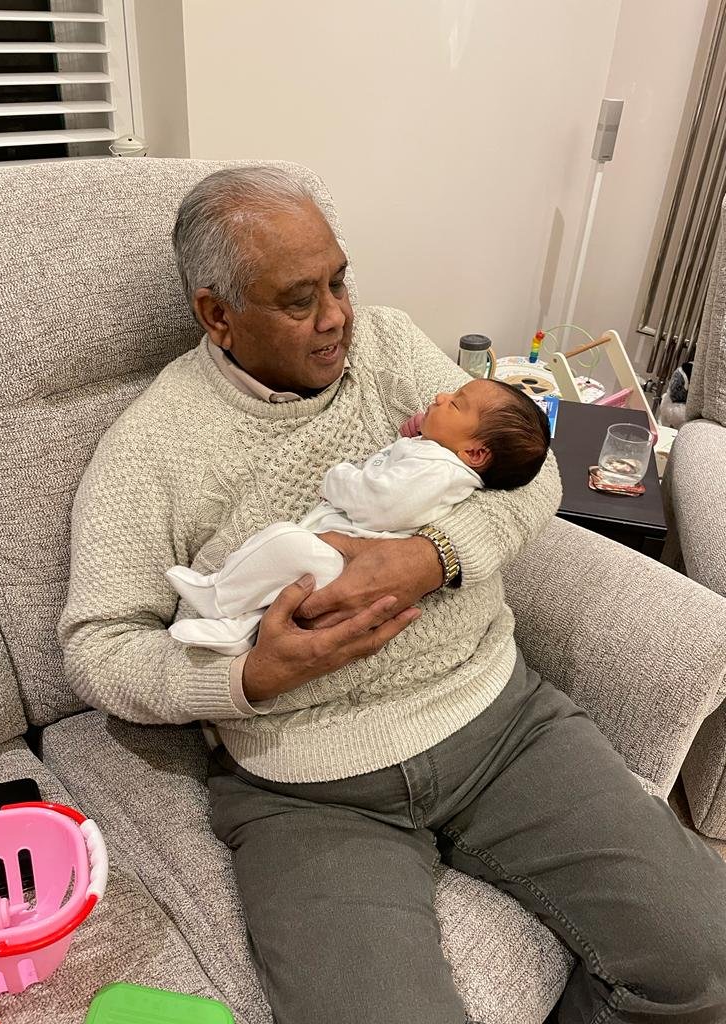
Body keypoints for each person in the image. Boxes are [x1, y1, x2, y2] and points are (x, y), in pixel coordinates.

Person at [59, 166, 726, 1024]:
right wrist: (244, 680)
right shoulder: (151, 449)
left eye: (340, 279)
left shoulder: (391, 346)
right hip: (306, 787)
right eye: (299, 299)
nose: (337, 316)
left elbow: (530, 474)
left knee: (708, 953)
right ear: (216, 315)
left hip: (499, 722)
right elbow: (96, 647)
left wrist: (431, 556)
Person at [165, 378, 550, 655]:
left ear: (477, 455)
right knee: (278, 572)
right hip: (338, 548)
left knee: (284, 543)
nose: (439, 395)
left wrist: (338, 479)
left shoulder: (440, 470)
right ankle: (237, 627)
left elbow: (382, 503)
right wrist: (417, 438)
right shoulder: (438, 458)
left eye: (455, 403)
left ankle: (219, 596)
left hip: (348, 567)